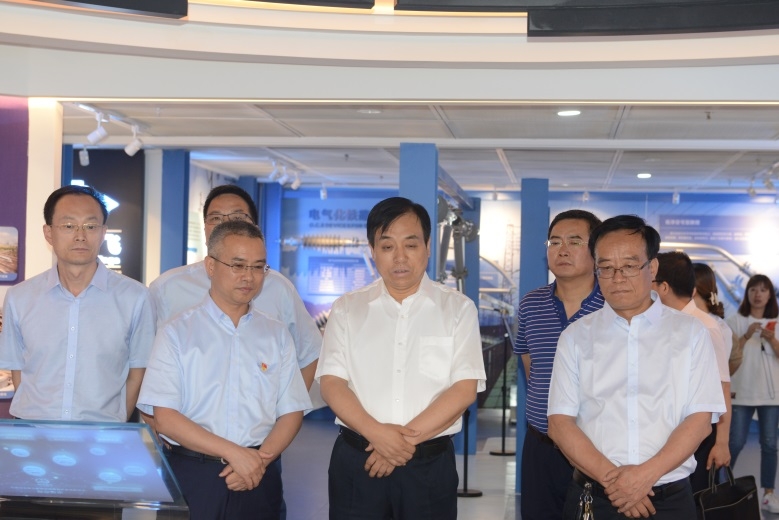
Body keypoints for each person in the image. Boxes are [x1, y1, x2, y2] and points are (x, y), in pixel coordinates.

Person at [317, 197, 486, 519]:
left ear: (428, 247)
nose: (400, 257)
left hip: (429, 466)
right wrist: (377, 435)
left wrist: (396, 445)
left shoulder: (458, 309)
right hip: (358, 462)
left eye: (410, 245)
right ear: (372, 250)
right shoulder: (347, 309)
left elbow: (464, 389)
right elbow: (332, 383)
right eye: (387, 246)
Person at [548, 215, 725, 520]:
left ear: (652, 268)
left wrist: (644, 477)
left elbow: (699, 420)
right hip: (595, 497)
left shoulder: (691, 333)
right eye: (606, 267)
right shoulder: (575, 336)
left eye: (629, 266)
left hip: (667, 499)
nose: (617, 278)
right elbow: (560, 423)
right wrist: (618, 484)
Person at [137, 220, 311, 520]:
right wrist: (234, 454)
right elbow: (165, 419)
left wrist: (257, 462)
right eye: (238, 265)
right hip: (194, 475)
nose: (249, 277)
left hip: (260, 473)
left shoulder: (276, 333)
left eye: (258, 267)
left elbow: (292, 411)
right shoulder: (176, 332)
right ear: (211, 266)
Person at [0, 185, 155, 421]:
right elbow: (18, 370)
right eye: (69, 226)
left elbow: (137, 372)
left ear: (103, 232)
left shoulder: (135, 298)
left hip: (102, 433)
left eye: (90, 226)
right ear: (48, 233)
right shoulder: (20, 297)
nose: (80, 236)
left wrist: (114, 422)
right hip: (34, 432)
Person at [149, 184, 320, 391]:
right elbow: (148, 361)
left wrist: (287, 405)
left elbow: (310, 354)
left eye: (238, 217)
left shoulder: (279, 288)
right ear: (204, 227)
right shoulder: (167, 288)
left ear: (254, 226)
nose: (226, 225)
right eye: (216, 218)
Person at [514, 209, 604, 520]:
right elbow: (532, 369)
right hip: (541, 445)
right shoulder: (531, 304)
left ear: (596, 251)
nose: (562, 250)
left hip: (597, 446)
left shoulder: (612, 305)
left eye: (574, 241)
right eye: (554, 242)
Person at [652, 252, 732, 493]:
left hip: (699, 430)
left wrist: (722, 442)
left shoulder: (705, 327)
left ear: (663, 287)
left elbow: (722, 387)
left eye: (650, 280)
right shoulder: (661, 322)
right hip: (669, 428)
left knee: (695, 497)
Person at [727, 273, 779, 513]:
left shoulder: (776, 322)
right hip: (741, 391)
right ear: (747, 293)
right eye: (753, 289)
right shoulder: (735, 320)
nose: (758, 295)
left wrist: (773, 341)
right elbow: (727, 354)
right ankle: (721, 489)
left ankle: (768, 493)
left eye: (763, 290)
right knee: (735, 443)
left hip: (771, 395)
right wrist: (747, 335)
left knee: (769, 444)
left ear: (770, 295)